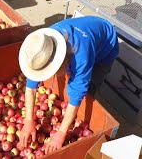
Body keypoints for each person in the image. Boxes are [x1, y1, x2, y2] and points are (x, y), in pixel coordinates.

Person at [18, 16, 119, 154]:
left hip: (106, 41)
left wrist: (60, 133)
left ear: (59, 60)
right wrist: (29, 120)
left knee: (89, 86)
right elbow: (30, 86)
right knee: (77, 79)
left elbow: (77, 95)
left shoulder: (81, 56)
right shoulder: (42, 45)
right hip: (86, 34)